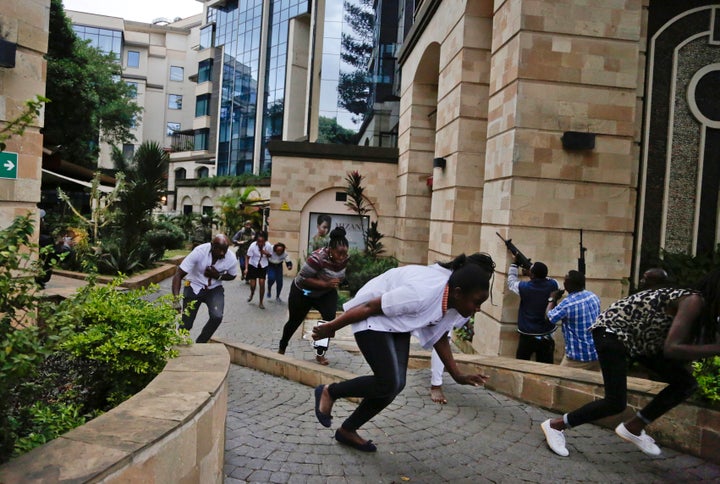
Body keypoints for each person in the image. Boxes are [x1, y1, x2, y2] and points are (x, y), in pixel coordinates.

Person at [311, 254, 493, 452]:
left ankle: (348, 430)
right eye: (476, 302)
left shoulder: (452, 301)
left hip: (396, 323)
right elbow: (369, 306)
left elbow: (439, 336)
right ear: (460, 291)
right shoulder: (422, 293)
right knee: (387, 382)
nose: (478, 309)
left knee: (396, 385)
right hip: (370, 316)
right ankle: (330, 391)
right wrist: (332, 327)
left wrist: (457, 376)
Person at [541, 269, 720, 458]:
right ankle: (555, 425)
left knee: (685, 383)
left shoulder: (703, 308)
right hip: (611, 333)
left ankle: (634, 427)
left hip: (639, 341)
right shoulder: (693, 301)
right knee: (615, 402)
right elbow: (672, 348)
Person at [430, 252, 496, 404]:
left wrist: (458, 376)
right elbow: (439, 337)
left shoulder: (461, 291)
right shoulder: (445, 285)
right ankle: (436, 384)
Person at [278, 227, 350, 365]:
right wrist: (325, 283)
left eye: (344, 253)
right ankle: (282, 347)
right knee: (294, 321)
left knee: (328, 320)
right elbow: (302, 279)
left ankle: (320, 353)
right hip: (304, 292)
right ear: (330, 249)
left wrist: (340, 281)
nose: (342, 257)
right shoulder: (317, 258)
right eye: (339, 253)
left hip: (326, 293)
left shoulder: (344, 259)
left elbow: (339, 273)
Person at [172, 234, 237, 343]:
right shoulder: (199, 252)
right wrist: (175, 299)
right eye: (219, 250)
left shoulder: (231, 258)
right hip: (194, 286)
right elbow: (179, 274)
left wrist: (218, 276)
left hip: (214, 289)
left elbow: (232, 275)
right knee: (186, 324)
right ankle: (176, 345)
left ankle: (201, 342)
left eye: (224, 250)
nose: (222, 253)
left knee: (217, 317)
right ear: (212, 246)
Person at [546, 270, 601, 371]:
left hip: (578, 357)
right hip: (595, 352)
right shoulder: (593, 296)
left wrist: (552, 299)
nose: (563, 282)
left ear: (569, 284)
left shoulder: (568, 303)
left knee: (559, 384)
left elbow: (550, 317)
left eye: (565, 280)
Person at [507, 258, 559, 363]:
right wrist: (532, 275)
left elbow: (511, 282)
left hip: (527, 336)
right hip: (546, 335)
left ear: (533, 275)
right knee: (546, 368)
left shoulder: (525, 287)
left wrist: (514, 265)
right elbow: (547, 278)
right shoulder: (553, 284)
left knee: (521, 366)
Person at [245, 231, 274, 309]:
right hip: (253, 265)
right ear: (256, 241)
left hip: (263, 265)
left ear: (265, 241)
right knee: (253, 285)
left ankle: (261, 302)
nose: (260, 243)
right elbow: (247, 257)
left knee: (262, 283)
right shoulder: (252, 246)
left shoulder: (268, 246)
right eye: (259, 241)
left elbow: (270, 256)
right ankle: (252, 293)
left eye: (262, 241)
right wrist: (246, 268)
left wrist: (265, 252)